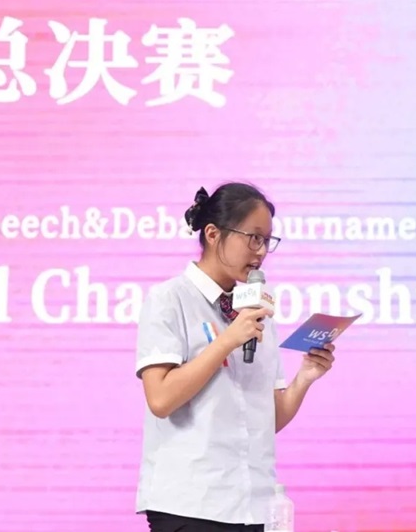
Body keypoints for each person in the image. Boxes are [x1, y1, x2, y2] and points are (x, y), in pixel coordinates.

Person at [134, 182, 336, 532]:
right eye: (253, 238)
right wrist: (227, 340)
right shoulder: (170, 299)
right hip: (190, 505)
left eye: (268, 241)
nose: (261, 252)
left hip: (253, 506)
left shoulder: (256, 310)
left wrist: (304, 377)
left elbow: (266, 420)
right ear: (213, 234)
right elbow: (161, 399)